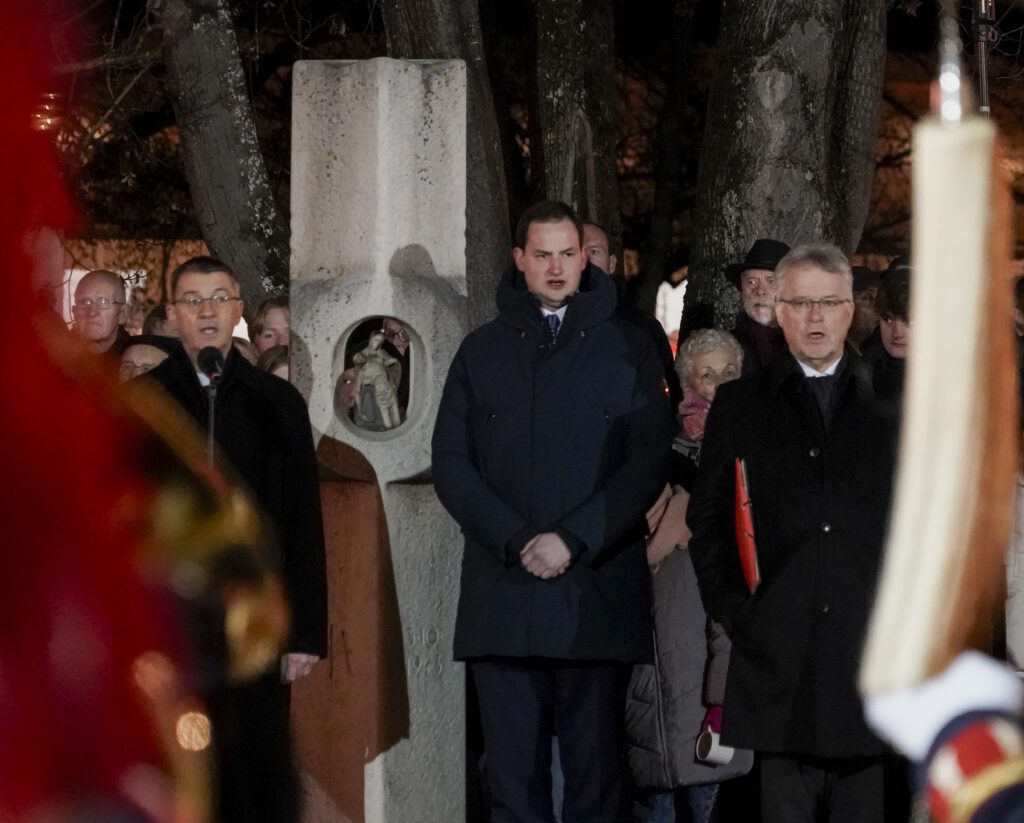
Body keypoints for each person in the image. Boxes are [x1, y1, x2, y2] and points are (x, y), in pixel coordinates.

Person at [432, 200, 673, 823]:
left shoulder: (629, 347)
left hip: (594, 595)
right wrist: (515, 539)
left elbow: (646, 463)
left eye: (569, 253)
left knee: (596, 785)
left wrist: (574, 538)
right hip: (503, 597)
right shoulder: (480, 352)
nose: (558, 267)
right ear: (519, 260)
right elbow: (452, 465)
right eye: (543, 255)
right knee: (512, 786)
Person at [687, 242, 900, 823]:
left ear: (851, 310)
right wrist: (738, 609)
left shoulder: (895, 401)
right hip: (778, 656)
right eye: (801, 302)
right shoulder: (741, 404)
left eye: (829, 302)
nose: (815, 317)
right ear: (778, 310)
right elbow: (708, 520)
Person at [147, 255, 327, 823]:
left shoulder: (277, 405)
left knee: (252, 773)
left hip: (256, 622)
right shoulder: (147, 403)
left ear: (238, 312)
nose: (207, 312)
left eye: (219, 299)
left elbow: (302, 520)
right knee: (174, 771)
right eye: (193, 301)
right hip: (167, 623)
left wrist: (305, 631)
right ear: (173, 314)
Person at [626, 328, 751, 823]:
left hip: (720, 639)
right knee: (658, 777)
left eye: (729, 373)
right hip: (663, 634)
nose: (718, 384)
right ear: (685, 381)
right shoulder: (661, 449)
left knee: (707, 780)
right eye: (706, 373)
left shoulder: (757, 443)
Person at [723, 239, 791, 375]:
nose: (760, 291)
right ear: (742, 288)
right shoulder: (724, 350)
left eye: (771, 281)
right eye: (751, 282)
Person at [71, 269, 132, 356]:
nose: (92, 313)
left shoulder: (139, 361)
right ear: (74, 312)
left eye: (103, 302)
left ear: (122, 314)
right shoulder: (55, 356)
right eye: (85, 302)